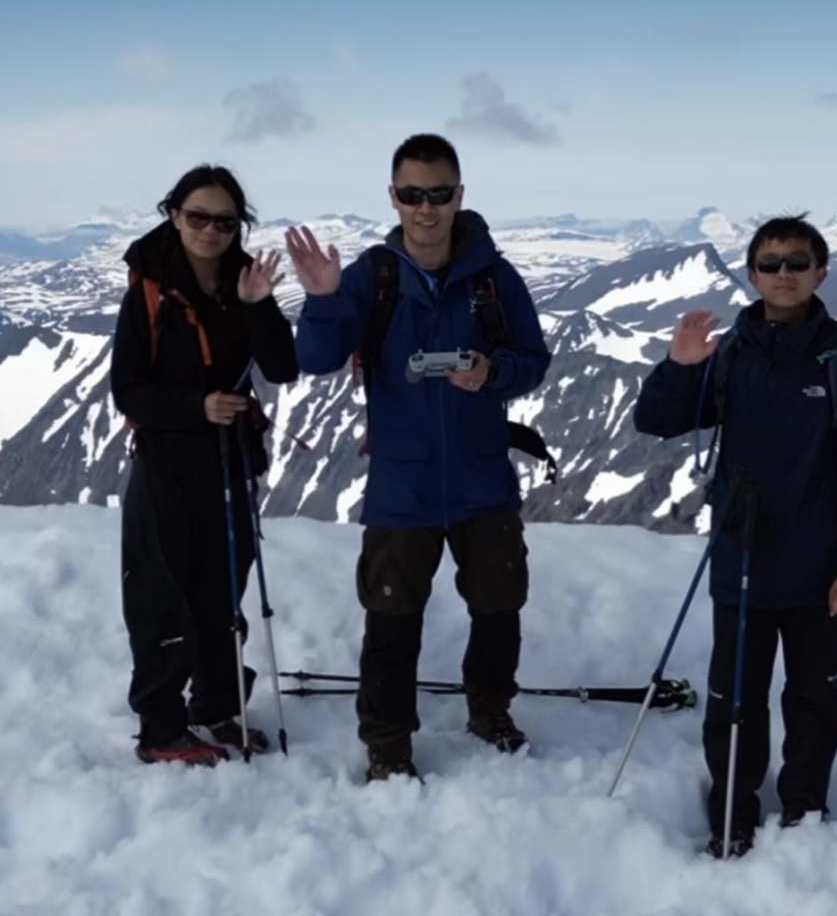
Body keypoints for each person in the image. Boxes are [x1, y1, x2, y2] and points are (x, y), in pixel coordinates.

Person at [288, 134, 551, 781]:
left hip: (481, 479)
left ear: (459, 195)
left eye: (438, 193)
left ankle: (489, 709)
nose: (426, 207)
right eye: (413, 194)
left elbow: (533, 362)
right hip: (402, 485)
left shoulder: (493, 277)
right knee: (391, 618)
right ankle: (387, 743)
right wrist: (323, 300)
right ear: (394, 197)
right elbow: (315, 360)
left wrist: (492, 372)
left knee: (498, 607)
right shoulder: (372, 278)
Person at [634, 215, 837, 857]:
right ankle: (733, 814)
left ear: (820, 274)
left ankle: (804, 807)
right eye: (771, 263)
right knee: (734, 701)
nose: (783, 274)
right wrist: (679, 366)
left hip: (817, 568)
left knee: (813, 701)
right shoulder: (730, 358)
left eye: (797, 263)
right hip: (740, 562)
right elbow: (657, 420)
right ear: (752, 275)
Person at [111, 165, 299, 766]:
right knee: (163, 598)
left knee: (221, 596)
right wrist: (199, 407)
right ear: (174, 215)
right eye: (198, 217)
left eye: (224, 220)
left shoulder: (244, 282)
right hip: (166, 466)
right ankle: (162, 729)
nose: (211, 230)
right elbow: (129, 390)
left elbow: (283, 366)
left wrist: (259, 307)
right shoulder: (148, 288)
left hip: (228, 465)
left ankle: (219, 707)